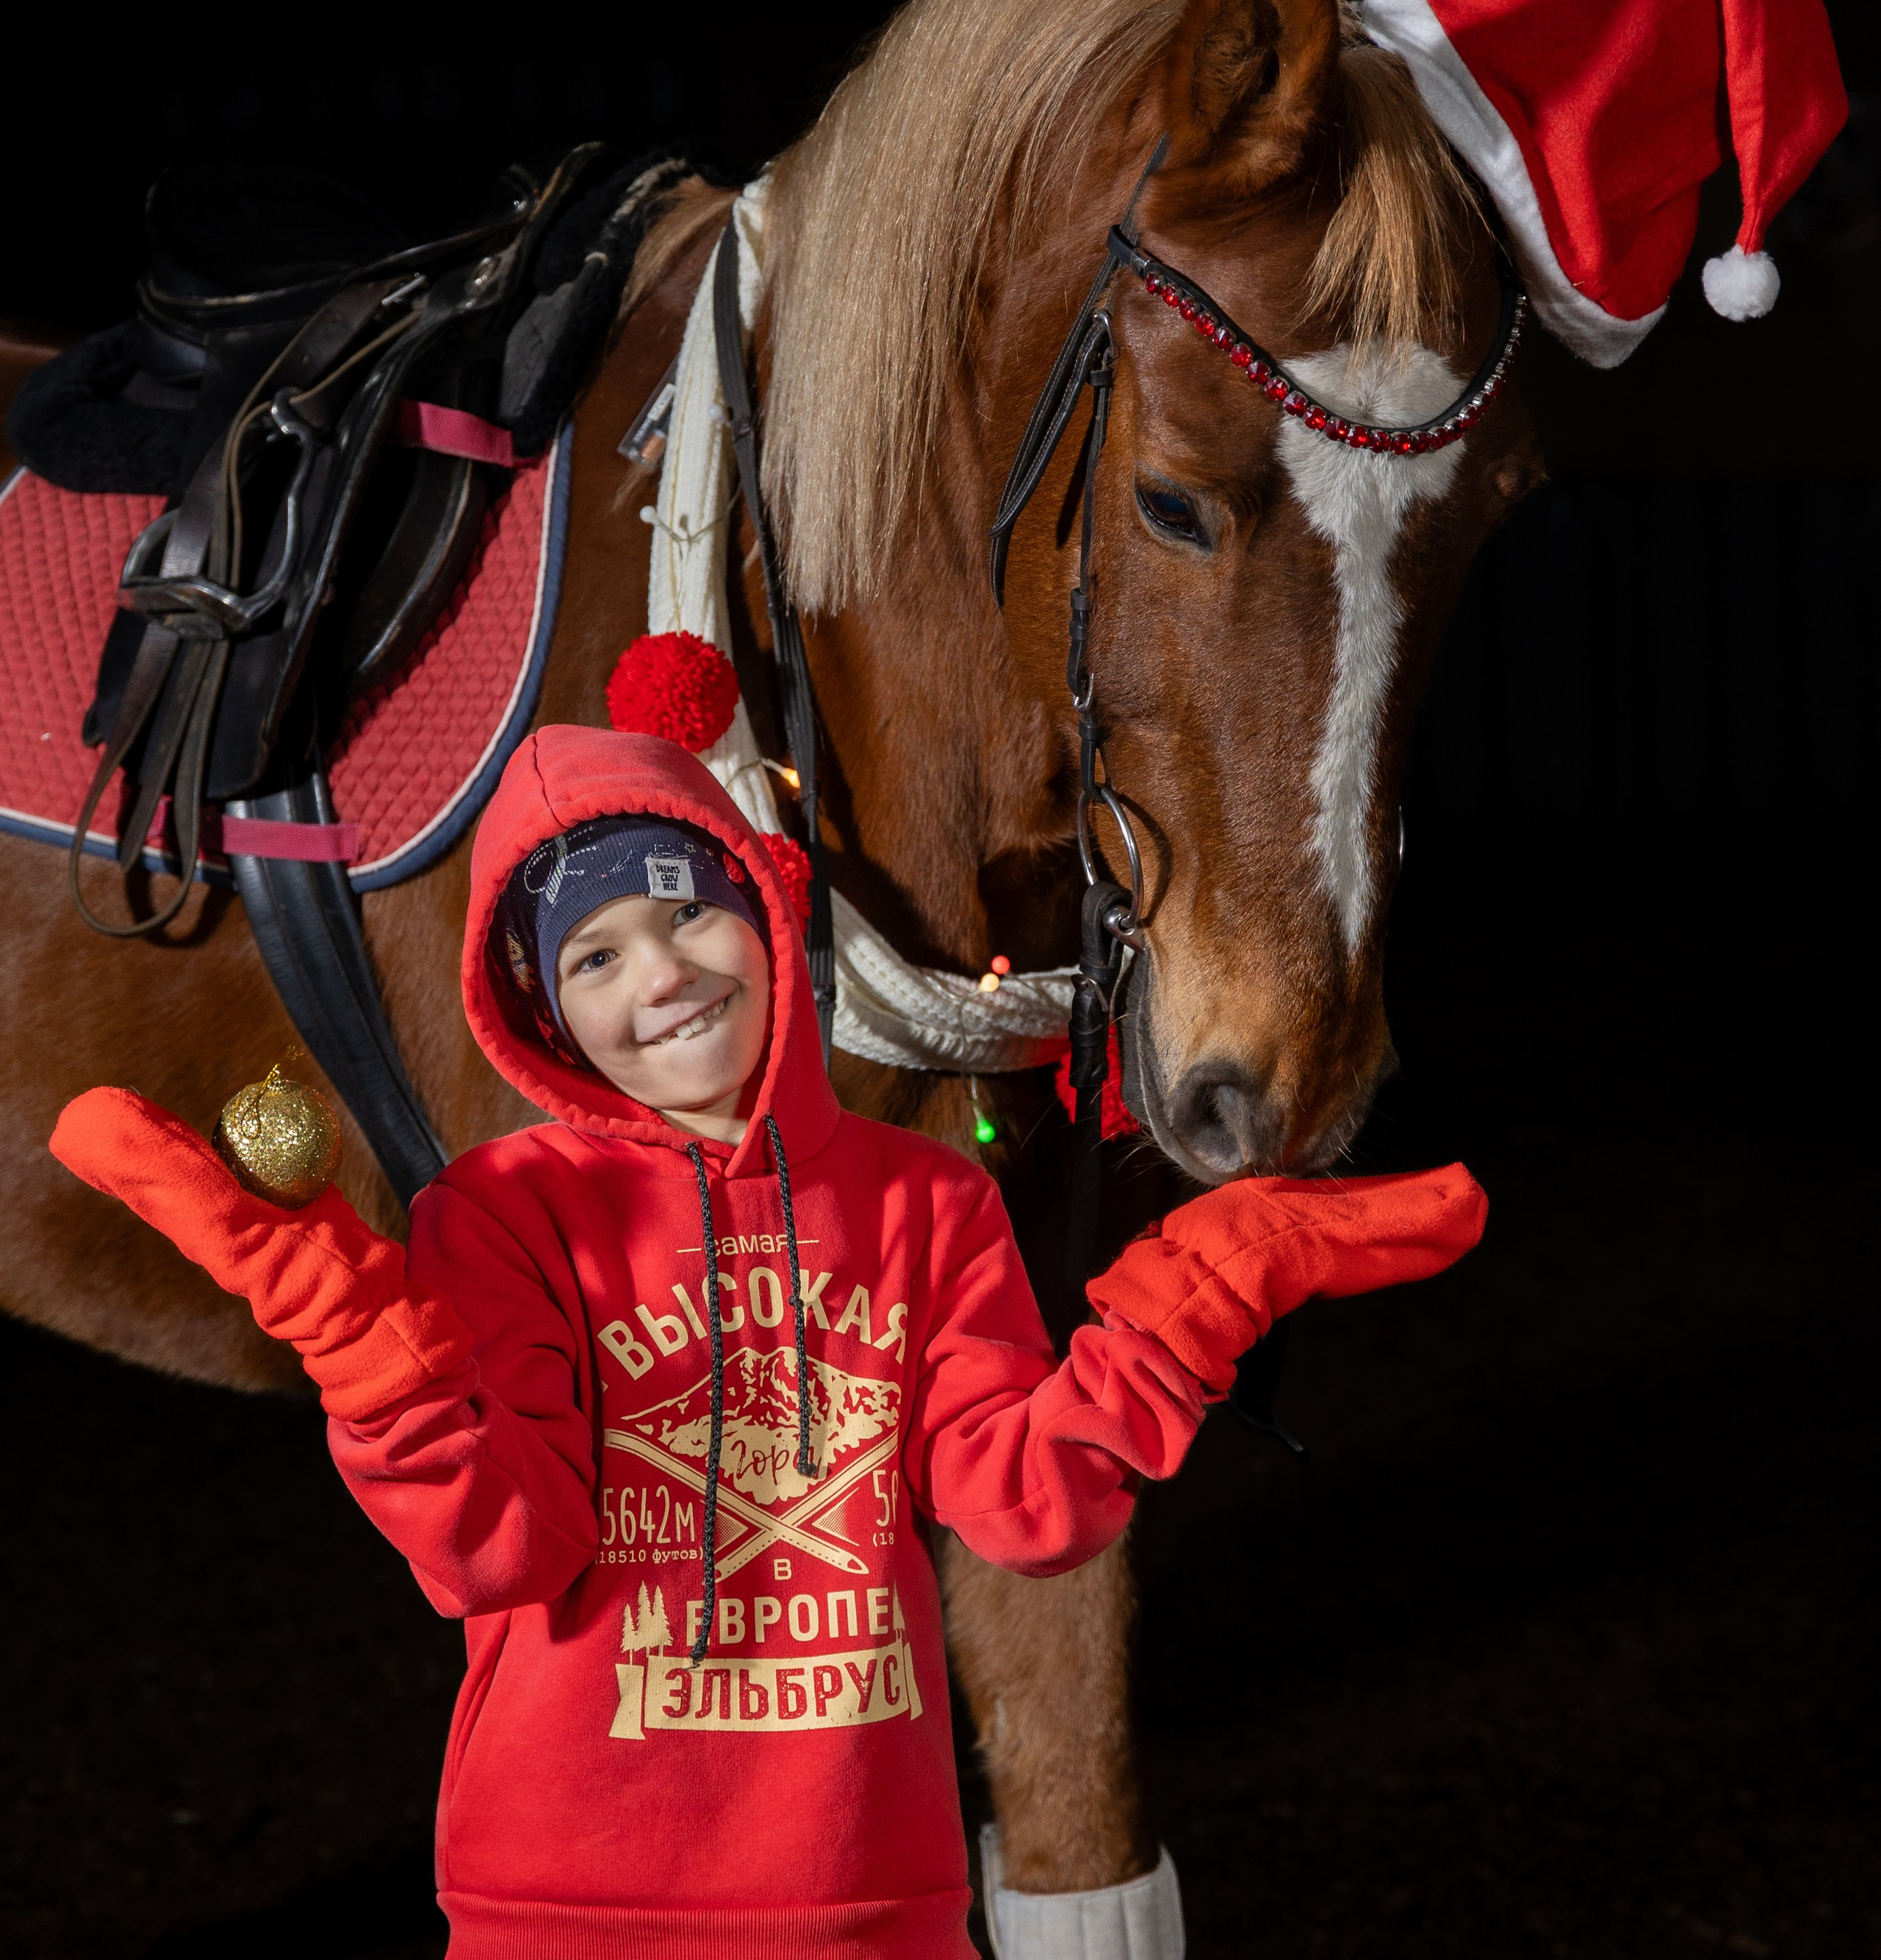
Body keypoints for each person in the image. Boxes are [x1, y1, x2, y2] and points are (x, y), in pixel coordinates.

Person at [51, 722, 1486, 1959]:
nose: (660, 972)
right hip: (562, 1903)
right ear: (542, 1015)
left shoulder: (926, 1201)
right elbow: (505, 1550)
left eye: (686, 910)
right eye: (594, 953)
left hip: (869, 1895)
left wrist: (1190, 1299)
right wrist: (369, 1365)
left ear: (766, 905)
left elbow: (1022, 1505)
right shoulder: (506, 1214)